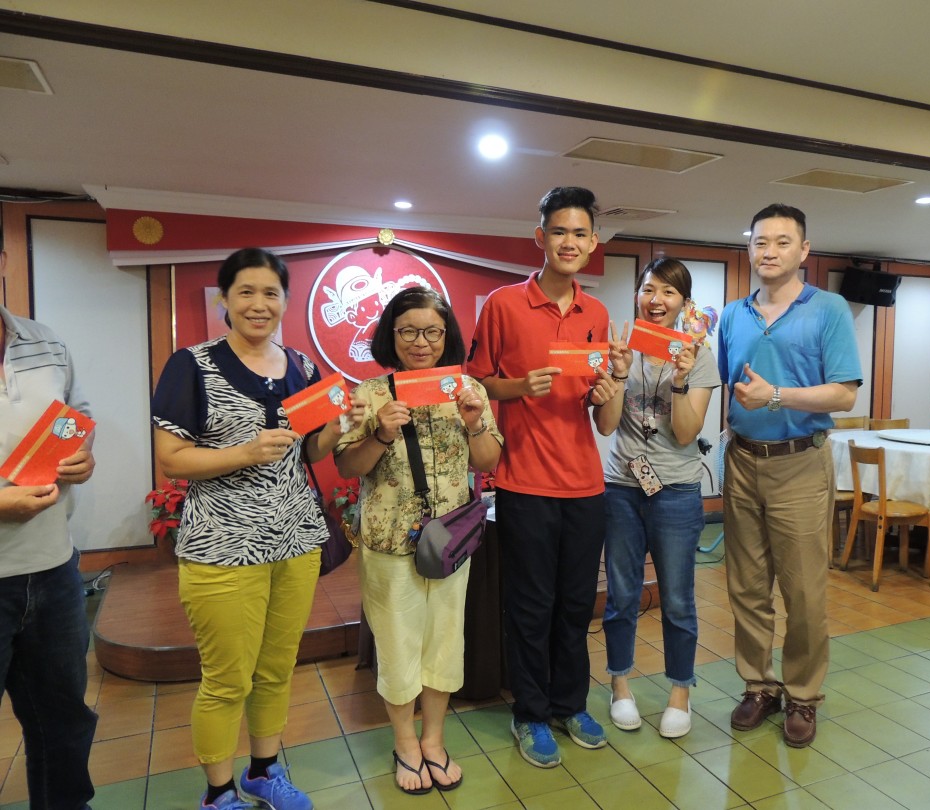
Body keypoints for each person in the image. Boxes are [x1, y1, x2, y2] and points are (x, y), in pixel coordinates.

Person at [152, 248, 361, 810]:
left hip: (295, 542)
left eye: (271, 293)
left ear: (286, 301)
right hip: (220, 545)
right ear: (224, 299)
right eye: (245, 291)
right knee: (227, 679)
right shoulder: (191, 365)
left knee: (276, 668)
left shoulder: (302, 367)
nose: (258, 304)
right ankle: (218, 793)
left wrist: (338, 427)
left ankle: (263, 772)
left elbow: (309, 451)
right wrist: (244, 452)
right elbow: (171, 459)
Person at [469, 186, 617, 767]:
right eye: (559, 231)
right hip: (525, 482)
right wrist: (517, 386)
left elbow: (602, 416)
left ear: (594, 242)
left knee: (577, 605)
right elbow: (476, 383)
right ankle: (530, 714)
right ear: (541, 237)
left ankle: (570, 703)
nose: (569, 242)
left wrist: (608, 391)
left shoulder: (597, 314)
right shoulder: (503, 304)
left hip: (586, 484)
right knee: (530, 606)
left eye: (580, 233)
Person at [335, 287, 502, 795]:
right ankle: (405, 743)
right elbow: (346, 465)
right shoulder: (367, 394)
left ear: (447, 335)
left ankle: (434, 739)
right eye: (408, 331)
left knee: (445, 641)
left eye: (432, 331)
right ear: (392, 335)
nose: (421, 342)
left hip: (450, 541)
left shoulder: (468, 389)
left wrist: (474, 423)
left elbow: (489, 461)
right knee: (398, 644)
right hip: (389, 542)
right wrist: (381, 434)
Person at [717, 204, 861, 748]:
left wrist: (776, 396)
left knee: (803, 591)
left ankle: (803, 694)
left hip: (800, 462)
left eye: (782, 242)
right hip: (742, 461)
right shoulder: (732, 315)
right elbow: (730, 385)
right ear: (749, 249)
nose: (769, 251)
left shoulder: (828, 308)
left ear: (804, 250)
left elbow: (844, 394)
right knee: (746, 586)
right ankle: (759, 686)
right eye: (760, 242)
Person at [595, 258, 721, 739]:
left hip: (677, 492)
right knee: (622, 594)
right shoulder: (619, 348)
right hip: (622, 489)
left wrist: (681, 380)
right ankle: (620, 685)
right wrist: (619, 373)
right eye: (649, 289)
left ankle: (680, 693)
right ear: (638, 295)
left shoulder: (698, 355)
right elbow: (606, 425)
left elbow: (686, 433)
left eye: (669, 292)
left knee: (678, 599)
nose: (656, 300)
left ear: (684, 304)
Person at [0, 246, 98, 809]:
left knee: (62, 723)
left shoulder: (46, 342)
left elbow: (76, 417)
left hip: (55, 570)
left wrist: (83, 456)